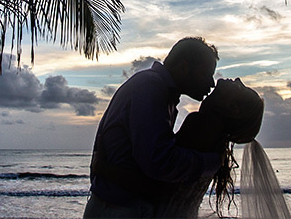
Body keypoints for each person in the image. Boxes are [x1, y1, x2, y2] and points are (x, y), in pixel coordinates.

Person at [83, 37, 223, 218]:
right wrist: (212, 162)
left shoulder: (161, 92)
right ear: (184, 67)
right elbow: (159, 161)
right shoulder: (151, 87)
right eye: (205, 74)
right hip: (118, 210)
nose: (211, 83)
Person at [154, 77, 265, 218]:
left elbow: (161, 169)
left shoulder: (203, 125)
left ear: (233, 108)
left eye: (240, 88)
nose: (237, 79)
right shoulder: (215, 136)